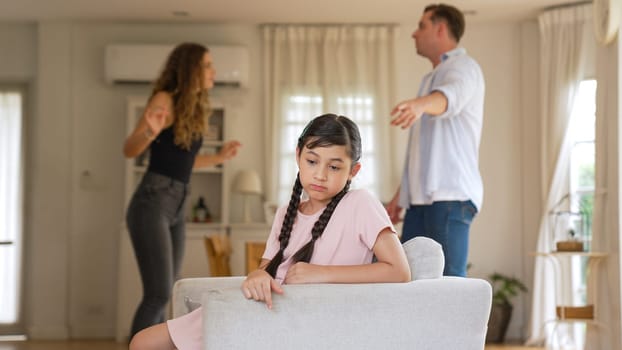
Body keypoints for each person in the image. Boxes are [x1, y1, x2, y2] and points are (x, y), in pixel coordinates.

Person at [128, 114, 411, 350]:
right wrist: (257, 276)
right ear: (298, 156)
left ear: (353, 170)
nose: (321, 175)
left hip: (294, 323)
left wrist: (321, 273)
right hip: (260, 310)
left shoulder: (359, 203)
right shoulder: (286, 212)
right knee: (142, 342)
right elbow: (265, 268)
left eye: (334, 166)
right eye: (312, 161)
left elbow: (399, 271)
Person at [123, 42, 242, 338]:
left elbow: (183, 162)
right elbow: (129, 149)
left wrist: (219, 157)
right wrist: (149, 130)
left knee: (171, 288)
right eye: (207, 65)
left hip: (177, 201)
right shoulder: (165, 99)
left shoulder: (195, 108)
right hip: (153, 200)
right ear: (190, 69)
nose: (214, 71)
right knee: (158, 292)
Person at [385, 4, 485, 277]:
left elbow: (449, 98)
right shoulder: (431, 77)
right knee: (408, 281)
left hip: (449, 199)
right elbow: (423, 152)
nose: (414, 34)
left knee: (450, 287)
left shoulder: (463, 68)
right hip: (420, 204)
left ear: (440, 29)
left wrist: (420, 105)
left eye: (422, 26)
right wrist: (399, 197)